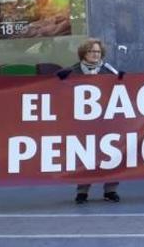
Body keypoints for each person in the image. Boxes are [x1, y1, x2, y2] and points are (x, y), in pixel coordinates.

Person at [56, 38, 123, 204]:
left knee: (110, 155)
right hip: (82, 123)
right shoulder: (72, 71)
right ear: (83, 53)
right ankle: (82, 192)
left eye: (98, 52)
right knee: (84, 156)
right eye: (92, 51)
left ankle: (110, 190)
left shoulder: (108, 70)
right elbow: (53, 87)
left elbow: (124, 86)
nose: (95, 54)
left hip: (106, 121)